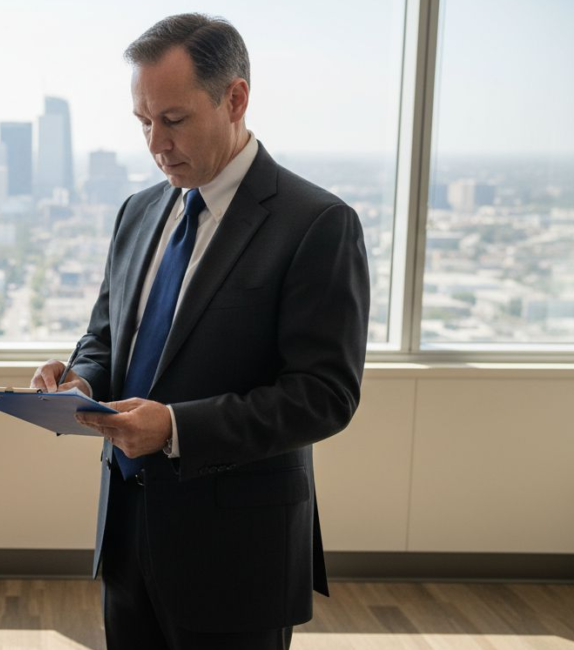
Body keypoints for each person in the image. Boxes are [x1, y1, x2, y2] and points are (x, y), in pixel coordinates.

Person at [31, 13, 370, 650]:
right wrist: (78, 376)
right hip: (128, 541)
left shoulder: (317, 224)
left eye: (174, 120)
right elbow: (107, 335)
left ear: (235, 98)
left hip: (237, 554)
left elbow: (325, 396)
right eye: (143, 122)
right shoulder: (138, 211)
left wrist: (177, 428)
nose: (156, 144)